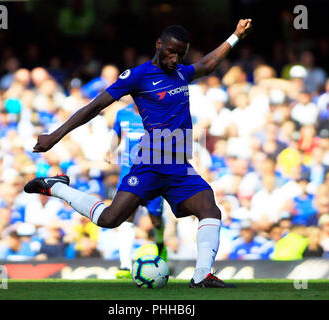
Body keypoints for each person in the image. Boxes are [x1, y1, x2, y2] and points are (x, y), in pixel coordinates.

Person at [25, 19, 252, 288]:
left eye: (181, 53)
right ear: (159, 45)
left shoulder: (180, 72)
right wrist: (55, 136)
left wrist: (235, 36)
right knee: (110, 219)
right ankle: (57, 187)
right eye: (171, 51)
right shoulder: (137, 76)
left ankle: (202, 275)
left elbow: (208, 64)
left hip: (178, 166)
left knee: (209, 209)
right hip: (151, 163)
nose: (175, 58)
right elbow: (93, 107)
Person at [109, 102, 166, 279]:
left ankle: (160, 243)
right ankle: (125, 265)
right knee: (126, 215)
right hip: (129, 173)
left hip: (152, 173)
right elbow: (117, 134)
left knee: (155, 219)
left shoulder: (157, 111)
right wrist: (110, 150)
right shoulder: (122, 114)